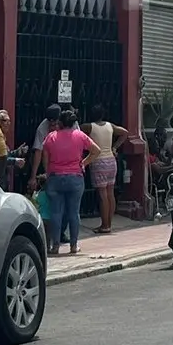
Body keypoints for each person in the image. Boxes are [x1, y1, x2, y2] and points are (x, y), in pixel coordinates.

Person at [42, 109, 100, 256]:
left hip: (55, 178)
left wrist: (48, 174)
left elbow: (46, 160)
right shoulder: (80, 136)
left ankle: (55, 246)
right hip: (75, 177)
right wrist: (84, 163)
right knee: (74, 212)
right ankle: (73, 246)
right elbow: (96, 150)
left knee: (56, 212)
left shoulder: (51, 137)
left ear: (60, 123)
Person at [83, 104, 128, 234]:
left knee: (102, 195)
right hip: (111, 161)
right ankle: (109, 224)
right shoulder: (110, 126)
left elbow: (75, 128)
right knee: (110, 193)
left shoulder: (89, 126)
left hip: (98, 162)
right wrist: (115, 147)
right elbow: (125, 133)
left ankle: (104, 225)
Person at [28, 104, 62, 193]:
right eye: (50, 123)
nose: (52, 126)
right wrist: (33, 177)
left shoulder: (70, 123)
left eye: (55, 124)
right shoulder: (42, 128)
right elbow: (38, 151)